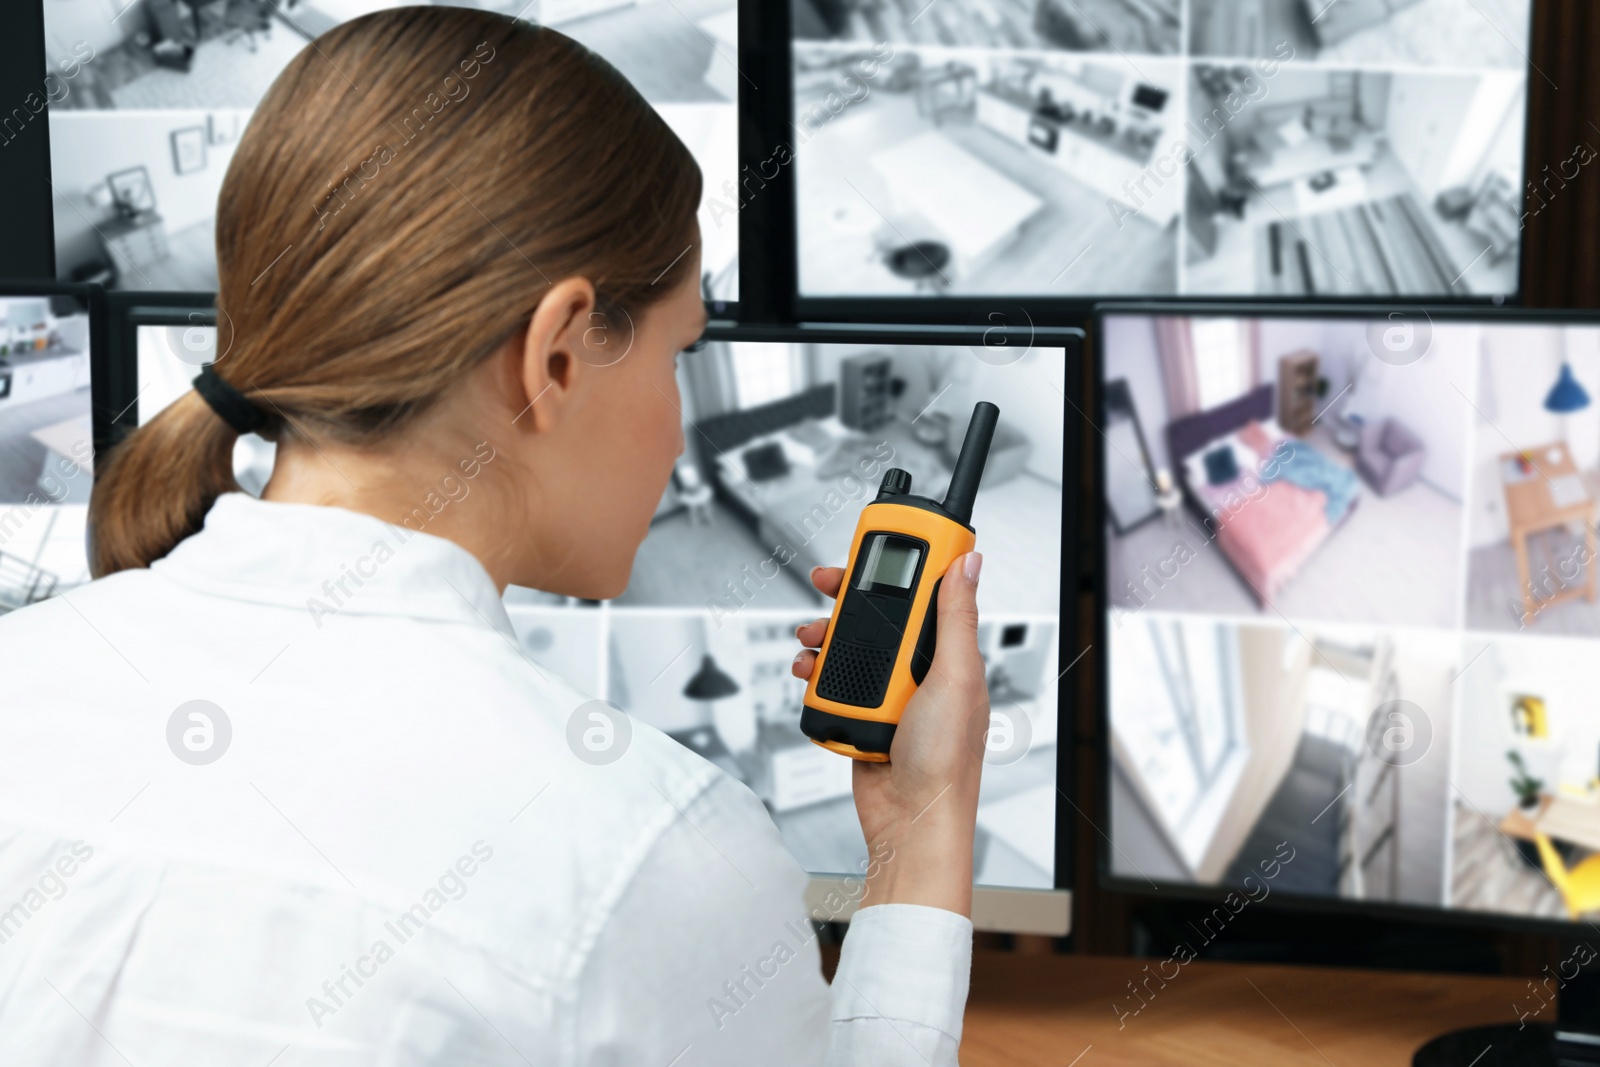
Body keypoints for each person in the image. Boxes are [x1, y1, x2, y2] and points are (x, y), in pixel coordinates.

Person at [0, 9, 990, 1064]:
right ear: (558, 354)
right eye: (675, 354)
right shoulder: (648, 850)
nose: (674, 420)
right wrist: (925, 833)